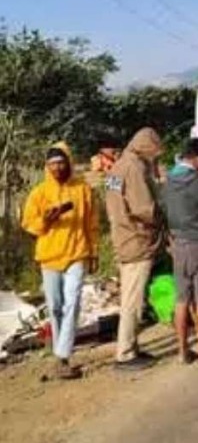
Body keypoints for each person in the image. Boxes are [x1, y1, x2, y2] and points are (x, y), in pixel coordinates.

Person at [20, 143, 98, 380]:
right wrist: (47, 220)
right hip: (49, 256)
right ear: (47, 167)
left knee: (72, 302)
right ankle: (60, 353)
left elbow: (92, 225)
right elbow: (28, 224)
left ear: (68, 163)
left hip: (77, 253)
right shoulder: (39, 193)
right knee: (55, 306)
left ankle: (62, 354)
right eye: (52, 164)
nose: (57, 168)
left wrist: (94, 253)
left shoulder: (83, 189)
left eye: (61, 163)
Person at [104, 127, 164, 371]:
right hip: (137, 239)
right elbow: (144, 208)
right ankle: (126, 354)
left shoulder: (116, 168)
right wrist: (162, 216)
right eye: (155, 153)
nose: (156, 159)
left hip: (122, 236)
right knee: (133, 300)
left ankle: (131, 347)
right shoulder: (136, 167)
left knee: (129, 296)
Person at [161, 138, 198, 364]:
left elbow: (161, 213)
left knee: (181, 299)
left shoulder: (166, 184)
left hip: (178, 246)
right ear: (197, 159)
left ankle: (182, 351)